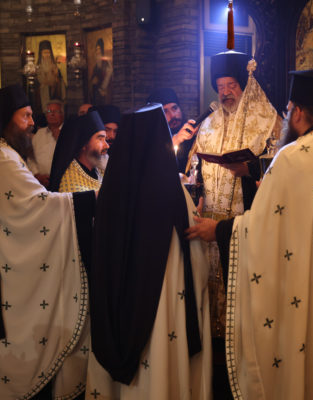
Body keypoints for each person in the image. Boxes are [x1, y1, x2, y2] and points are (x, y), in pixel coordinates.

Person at [187, 70, 313, 399]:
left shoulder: (292, 157)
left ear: (299, 112)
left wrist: (218, 230)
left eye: (289, 109)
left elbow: (263, 229)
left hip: (312, 289)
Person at [0, 84, 95, 399]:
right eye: (26, 116)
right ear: (7, 119)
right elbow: (38, 206)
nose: (33, 122)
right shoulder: (3, 158)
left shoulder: (0, 153)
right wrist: (91, 199)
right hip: (2, 265)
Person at [85, 103, 211, 399]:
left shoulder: (112, 187)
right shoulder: (172, 190)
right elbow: (195, 251)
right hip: (166, 300)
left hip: (121, 301)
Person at [192, 50, 280, 397]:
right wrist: (199, 194)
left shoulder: (269, 120)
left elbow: (280, 172)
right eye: (220, 86)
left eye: (231, 85)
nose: (225, 92)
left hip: (246, 229)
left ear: (245, 85)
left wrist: (250, 169)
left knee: (243, 312)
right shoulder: (208, 123)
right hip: (209, 228)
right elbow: (197, 170)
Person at [49, 111, 108, 193]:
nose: (107, 146)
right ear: (84, 144)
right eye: (100, 139)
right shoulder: (70, 182)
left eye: (105, 139)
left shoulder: (99, 168)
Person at [146, 87, 198, 173]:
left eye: (174, 108)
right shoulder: (150, 141)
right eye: (165, 111)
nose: (173, 115)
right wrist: (175, 140)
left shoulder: (190, 133)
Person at [28, 100, 65, 187]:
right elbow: (31, 157)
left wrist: (60, 140)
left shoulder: (69, 132)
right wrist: (37, 175)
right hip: (40, 182)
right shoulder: (39, 133)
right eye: (49, 111)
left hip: (64, 182)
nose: (52, 114)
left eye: (55, 111)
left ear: (63, 114)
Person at [35, 40, 67, 114]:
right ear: (41, 54)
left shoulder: (55, 66)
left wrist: (56, 76)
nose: (47, 55)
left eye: (48, 53)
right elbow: (36, 84)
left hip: (54, 94)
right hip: (42, 94)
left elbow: (60, 82)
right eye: (45, 53)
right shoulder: (37, 68)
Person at [89, 38, 113, 105]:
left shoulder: (106, 63)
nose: (97, 53)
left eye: (99, 51)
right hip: (96, 93)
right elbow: (92, 81)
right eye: (96, 50)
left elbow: (109, 75)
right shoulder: (95, 66)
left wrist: (102, 88)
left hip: (104, 93)